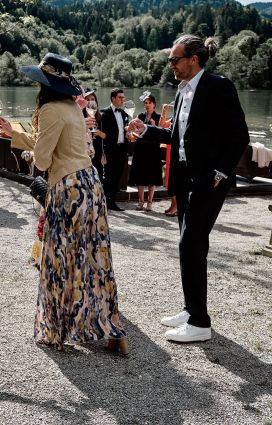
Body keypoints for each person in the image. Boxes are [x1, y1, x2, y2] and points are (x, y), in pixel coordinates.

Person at [0, 53, 128, 354]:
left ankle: (55, 330)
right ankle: (113, 330)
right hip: (91, 185)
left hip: (68, 188)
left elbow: (43, 158)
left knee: (58, 260)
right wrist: (16, 134)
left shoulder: (50, 110)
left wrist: (25, 147)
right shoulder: (72, 108)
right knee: (95, 259)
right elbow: (60, 144)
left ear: (45, 85)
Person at [128, 35, 249, 343]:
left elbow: (239, 135)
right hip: (184, 179)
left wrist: (220, 173)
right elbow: (175, 135)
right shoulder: (182, 92)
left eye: (175, 60)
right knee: (193, 245)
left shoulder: (218, 86)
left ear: (194, 59)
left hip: (208, 181)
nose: (171, 65)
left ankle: (199, 323)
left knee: (190, 244)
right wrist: (146, 131)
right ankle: (191, 307)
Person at [99, 88, 131, 211]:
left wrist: (128, 134)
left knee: (117, 176)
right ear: (113, 98)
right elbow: (102, 133)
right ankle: (107, 201)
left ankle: (112, 200)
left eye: (123, 97)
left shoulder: (124, 114)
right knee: (109, 176)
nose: (123, 99)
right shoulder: (104, 113)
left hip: (122, 149)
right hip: (110, 150)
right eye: (120, 97)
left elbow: (124, 132)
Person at [129, 92, 162, 212]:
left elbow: (163, 132)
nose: (147, 105)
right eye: (145, 103)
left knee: (152, 176)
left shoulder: (158, 117)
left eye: (149, 103)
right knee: (140, 176)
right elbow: (135, 132)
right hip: (141, 148)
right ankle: (140, 201)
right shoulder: (140, 116)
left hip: (153, 150)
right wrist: (132, 133)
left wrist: (155, 126)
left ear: (154, 104)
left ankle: (149, 203)